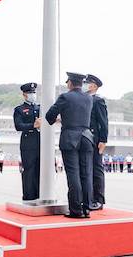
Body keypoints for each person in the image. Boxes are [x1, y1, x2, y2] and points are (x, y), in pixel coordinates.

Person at [45, 72, 94, 219]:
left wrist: (59, 118)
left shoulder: (65, 97)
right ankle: (86, 209)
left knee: (73, 175)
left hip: (70, 138)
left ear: (70, 83)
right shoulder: (89, 98)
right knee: (86, 175)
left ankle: (75, 210)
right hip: (86, 137)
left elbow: (49, 116)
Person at [84, 74, 109, 211]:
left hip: (95, 138)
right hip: (84, 138)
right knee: (86, 169)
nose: (85, 85)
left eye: (87, 83)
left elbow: (103, 122)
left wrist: (103, 140)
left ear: (93, 86)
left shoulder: (98, 101)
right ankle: (88, 198)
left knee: (96, 169)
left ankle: (98, 199)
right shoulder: (84, 99)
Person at [13, 82, 41, 200]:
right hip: (28, 142)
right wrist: (33, 125)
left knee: (40, 169)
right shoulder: (20, 109)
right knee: (29, 169)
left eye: (34, 92)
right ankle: (29, 196)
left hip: (40, 141)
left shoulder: (40, 108)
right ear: (24, 95)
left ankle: (39, 194)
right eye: (30, 93)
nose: (33, 95)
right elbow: (18, 126)